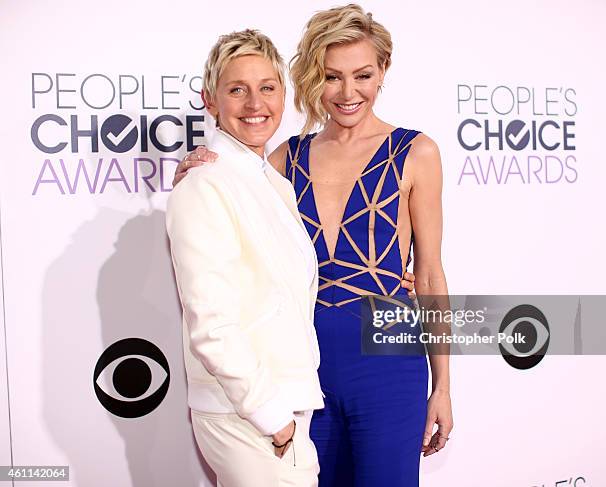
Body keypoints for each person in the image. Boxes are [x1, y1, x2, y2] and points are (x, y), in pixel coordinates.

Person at [174, 5, 453, 486]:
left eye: (363, 75)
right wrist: (197, 166)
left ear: (383, 72)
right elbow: (234, 202)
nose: (348, 93)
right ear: (310, 77)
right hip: (303, 373)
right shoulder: (284, 157)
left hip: (389, 362)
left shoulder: (417, 152)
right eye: (331, 77)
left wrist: (443, 385)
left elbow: (429, 274)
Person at [166, 29, 325, 487]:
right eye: (237, 89)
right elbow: (211, 322)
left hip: (280, 407)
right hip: (249, 416)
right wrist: (272, 418)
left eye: (267, 88)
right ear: (210, 101)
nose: (256, 103)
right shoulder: (202, 185)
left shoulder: (273, 183)